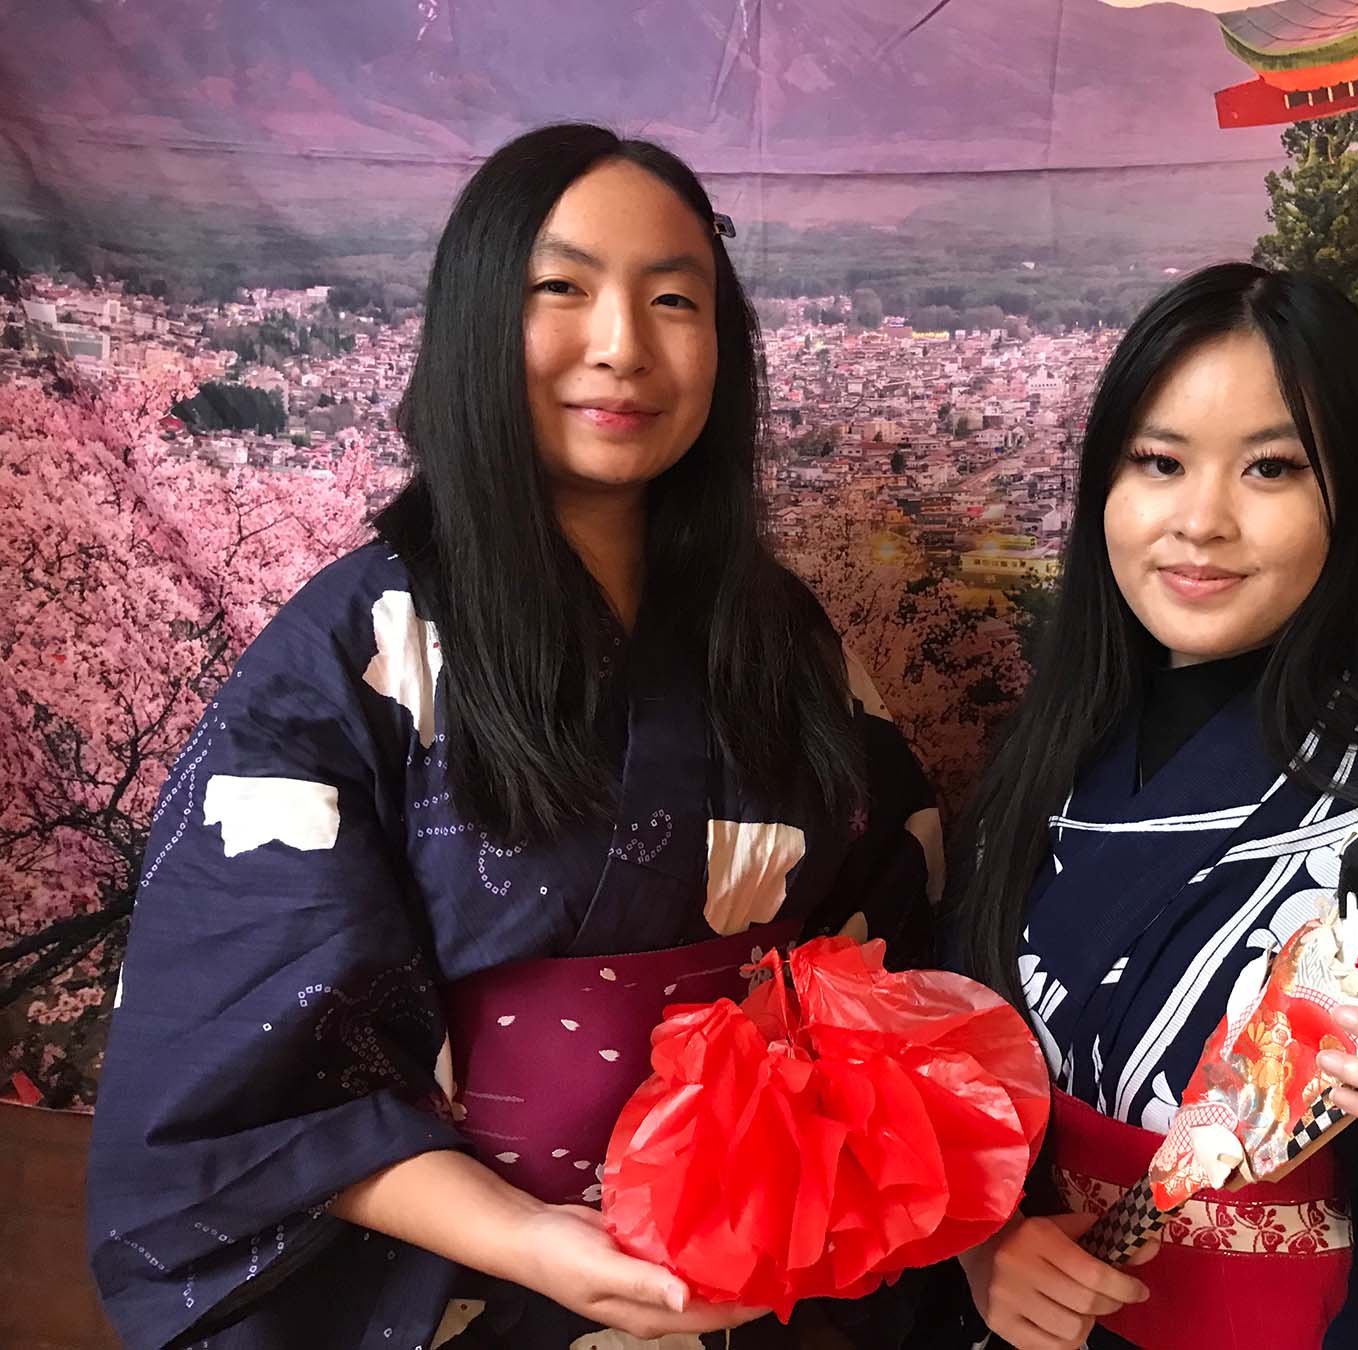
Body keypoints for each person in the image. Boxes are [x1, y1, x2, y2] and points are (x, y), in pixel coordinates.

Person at [86, 123, 941, 1350]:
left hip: (752, 1251)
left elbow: (885, 935)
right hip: (452, 1276)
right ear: (480, 321)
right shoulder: (353, 646)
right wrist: (520, 1233)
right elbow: (243, 1062)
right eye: (562, 288)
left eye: (673, 299)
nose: (621, 347)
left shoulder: (782, 635)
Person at [944, 264, 1358, 1349]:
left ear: (1349, 499)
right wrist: (985, 1247)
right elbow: (948, 1104)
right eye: (1160, 462)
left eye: (1271, 468)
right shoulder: (1034, 782)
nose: (1202, 521)